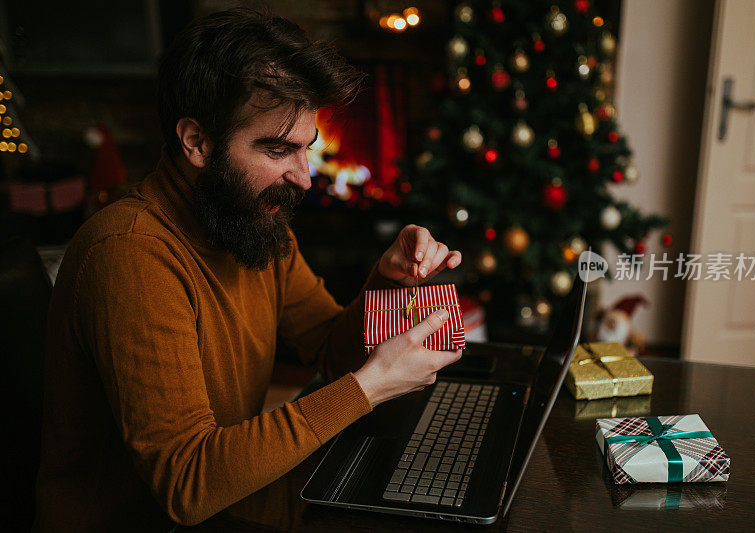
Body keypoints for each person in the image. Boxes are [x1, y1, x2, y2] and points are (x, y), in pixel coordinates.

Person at [34, 8, 462, 531]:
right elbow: (187, 484)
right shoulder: (130, 254)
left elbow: (330, 346)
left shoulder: (252, 221)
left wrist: (386, 282)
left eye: (306, 149)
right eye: (277, 149)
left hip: (241, 501)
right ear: (197, 141)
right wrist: (371, 386)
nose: (303, 179)